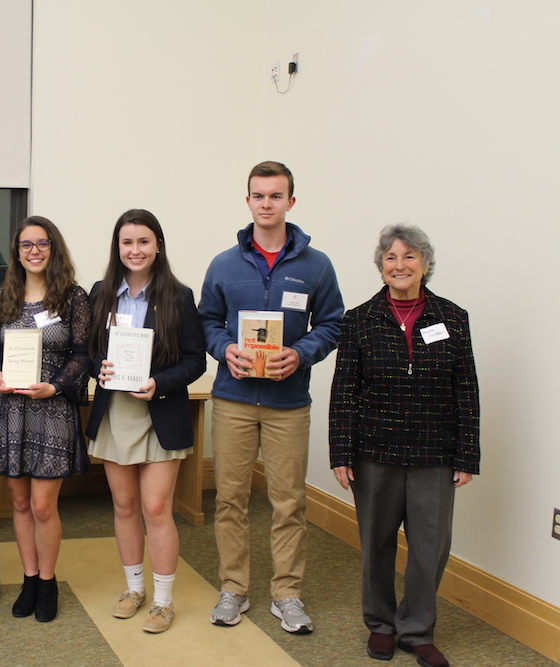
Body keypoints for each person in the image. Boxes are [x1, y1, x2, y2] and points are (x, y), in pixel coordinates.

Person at [198, 161, 343, 634]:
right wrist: (226, 349)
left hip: (288, 404)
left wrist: (300, 356)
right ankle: (233, 588)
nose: (266, 204)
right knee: (231, 499)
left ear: (290, 202)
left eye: (275, 196)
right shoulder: (223, 264)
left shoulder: (317, 266)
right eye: (258, 196)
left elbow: (332, 324)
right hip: (234, 398)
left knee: (288, 502)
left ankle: (287, 594)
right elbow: (207, 323)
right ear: (248, 202)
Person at [329, 225, 478, 667]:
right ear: (380, 267)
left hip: (436, 451)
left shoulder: (453, 317)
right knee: (376, 541)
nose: (400, 265)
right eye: (391, 258)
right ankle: (380, 624)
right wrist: (341, 453)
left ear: (426, 265)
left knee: (431, 546)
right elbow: (344, 392)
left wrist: (467, 452)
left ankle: (417, 629)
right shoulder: (358, 320)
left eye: (410, 257)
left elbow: (466, 388)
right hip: (375, 451)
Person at [85, 209, 206, 634]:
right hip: (116, 411)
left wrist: (159, 383)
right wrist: (98, 367)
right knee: (124, 506)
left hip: (160, 411)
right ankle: (134, 589)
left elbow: (195, 360)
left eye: (143, 242)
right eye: (127, 242)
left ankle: (163, 601)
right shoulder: (101, 293)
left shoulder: (178, 295)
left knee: (156, 509)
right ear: (117, 248)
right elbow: (88, 351)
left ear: (158, 246)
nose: (135, 250)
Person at [0, 216, 91, 623]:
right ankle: (29, 578)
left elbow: (83, 354)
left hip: (51, 409)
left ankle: (47, 581)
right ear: (17, 251)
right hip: (10, 410)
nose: (34, 251)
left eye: (42, 243)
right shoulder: (5, 295)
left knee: (44, 506)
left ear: (53, 248)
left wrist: (57, 385)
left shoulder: (72, 297)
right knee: (19, 502)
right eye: (26, 245)